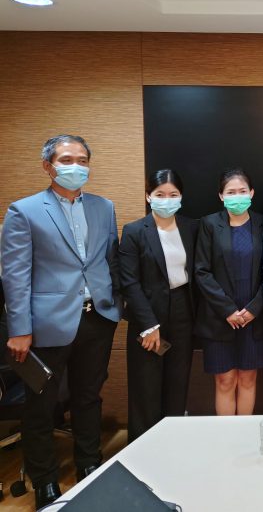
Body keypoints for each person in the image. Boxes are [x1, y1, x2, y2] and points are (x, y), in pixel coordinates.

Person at [1, 135, 122, 509]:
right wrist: (20, 329)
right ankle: (45, 481)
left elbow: (109, 260)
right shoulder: (24, 211)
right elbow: (15, 275)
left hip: (98, 318)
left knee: (88, 396)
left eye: (82, 160)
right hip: (46, 324)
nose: (76, 166)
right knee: (41, 404)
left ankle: (89, 464)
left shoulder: (104, 207)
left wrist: (115, 304)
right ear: (48, 166)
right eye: (67, 159)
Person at [120, 169, 198, 441]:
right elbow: (129, 282)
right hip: (147, 315)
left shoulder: (191, 227)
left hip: (183, 311)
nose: (167, 200)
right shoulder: (134, 231)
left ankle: (170, 444)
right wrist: (148, 325)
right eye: (160, 194)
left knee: (177, 384)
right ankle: (142, 450)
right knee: (146, 388)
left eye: (173, 194)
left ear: (181, 197)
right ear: (148, 196)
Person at [194, 169, 263, 416]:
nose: (237, 196)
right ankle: (226, 435)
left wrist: (254, 309)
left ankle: (244, 434)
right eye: (231, 192)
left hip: (253, 317)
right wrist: (227, 310)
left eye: (242, 191)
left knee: (248, 378)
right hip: (219, 317)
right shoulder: (209, 224)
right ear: (221, 196)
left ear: (252, 193)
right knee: (225, 380)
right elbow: (202, 271)